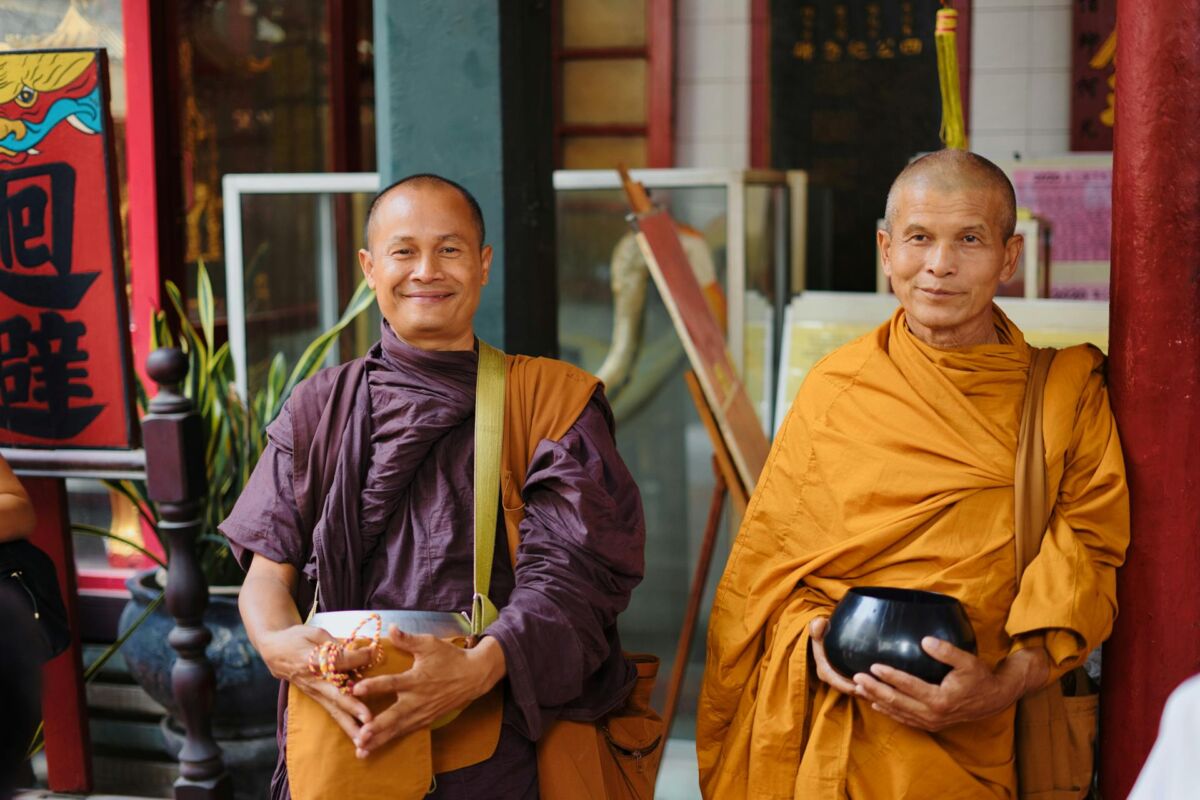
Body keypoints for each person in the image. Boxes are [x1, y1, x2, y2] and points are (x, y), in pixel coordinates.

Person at [696, 149, 1129, 798]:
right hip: (837, 725)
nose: (939, 265)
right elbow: (766, 575)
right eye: (919, 238)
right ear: (885, 248)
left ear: (1009, 257)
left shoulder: (1065, 395)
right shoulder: (835, 388)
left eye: (971, 240)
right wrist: (812, 636)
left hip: (981, 733)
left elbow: (1089, 554)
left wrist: (1002, 682)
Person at [220, 174, 646, 799]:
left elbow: (574, 578)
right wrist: (278, 644)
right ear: (369, 267)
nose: (426, 270)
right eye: (403, 251)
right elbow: (266, 573)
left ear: (483, 264)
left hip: (496, 735)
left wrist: (479, 668)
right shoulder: (318, 406)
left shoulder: (550, 404)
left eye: (449, 249)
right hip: (349, 723)